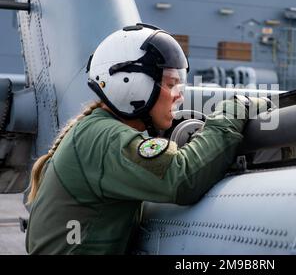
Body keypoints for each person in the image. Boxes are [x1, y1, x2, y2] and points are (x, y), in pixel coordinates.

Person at [25, 23, 269, 254]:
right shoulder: (105, 138)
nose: (178, 97)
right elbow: (182, 178)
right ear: (131, 85)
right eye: (171, 84)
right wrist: (235, 109)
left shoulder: (94, 130)